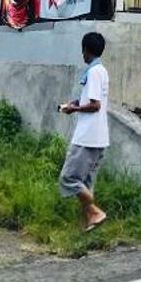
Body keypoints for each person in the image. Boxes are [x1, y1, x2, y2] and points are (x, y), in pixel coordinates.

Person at [58, 31, 110, 231]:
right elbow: (92, 100)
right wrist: (75, 103)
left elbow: (95, 105)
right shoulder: (101, 70)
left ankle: (95, 212)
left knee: (68, 178)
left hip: (88, 137)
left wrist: (74, 109)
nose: (82, 54)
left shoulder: (94, 72)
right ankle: (88, 223)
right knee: (86, 184)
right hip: (98, 137)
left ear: (86, 50)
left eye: (83, 51)